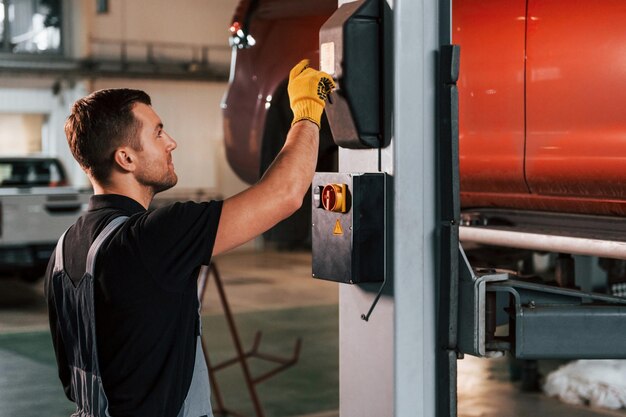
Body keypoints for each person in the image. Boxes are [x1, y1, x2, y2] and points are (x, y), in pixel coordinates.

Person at [44, 59, 334, 417]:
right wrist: (307, 111)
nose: (172, 143)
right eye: (158, 133)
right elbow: (285, 194)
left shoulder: (64, 248)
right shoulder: (152, 238)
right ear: (126, 158)